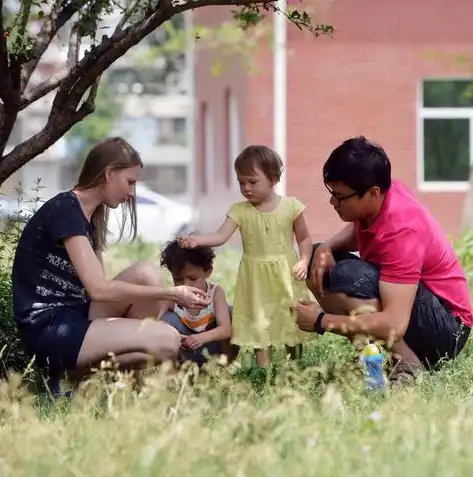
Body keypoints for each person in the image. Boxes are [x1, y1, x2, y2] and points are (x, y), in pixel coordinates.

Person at [11, 137, 209, 387]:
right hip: (49, 329)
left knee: (146, 273)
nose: (131, 192)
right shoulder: (65, 211)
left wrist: (165, 297)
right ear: (109, 173)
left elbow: (99, 293)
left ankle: (103, 382)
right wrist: (172, 293)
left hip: (74, 315)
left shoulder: (89, 216)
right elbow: (99, 289)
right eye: (130, 182)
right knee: (166, 341)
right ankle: (69, 376)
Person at [296, 136, 473, 384]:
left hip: (447, 330)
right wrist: (327, 246)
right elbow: (363, 230)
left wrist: (320, 321)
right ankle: (372, 358)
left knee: (349, 276)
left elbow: (395, 324)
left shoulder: (404, 231)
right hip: (417, 308)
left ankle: (407, 367)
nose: (332, 202)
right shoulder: (385, 194)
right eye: (331, 193)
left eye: (340, 196)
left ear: (372, 193)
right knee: (317, 259)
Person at [181, 145, 315, 367]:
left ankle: (296, 369)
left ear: (273, 179)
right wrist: (199, 240)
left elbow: (304, 238)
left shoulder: (291, 207)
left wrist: (304, 260)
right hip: (256, 279)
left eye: (252, 182)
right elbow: (221, 235)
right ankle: (263, 373)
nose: (246, 188)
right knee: (259, 323)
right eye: (241, 182)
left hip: (286, 274)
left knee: (290, 319)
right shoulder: (240, 210)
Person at [158, 239, 239, 366]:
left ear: (208, 272)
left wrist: (200, 338)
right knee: (167, 319)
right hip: (184, 352)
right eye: (178, 279)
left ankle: (226, 368)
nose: (186, 285)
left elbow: (226, 330)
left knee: (231, 312)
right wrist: (175, 335)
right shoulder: (172, 297)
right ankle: (174, 373)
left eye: (193, 278)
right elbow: (153, 325)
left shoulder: (216, 292)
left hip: (212, 350)